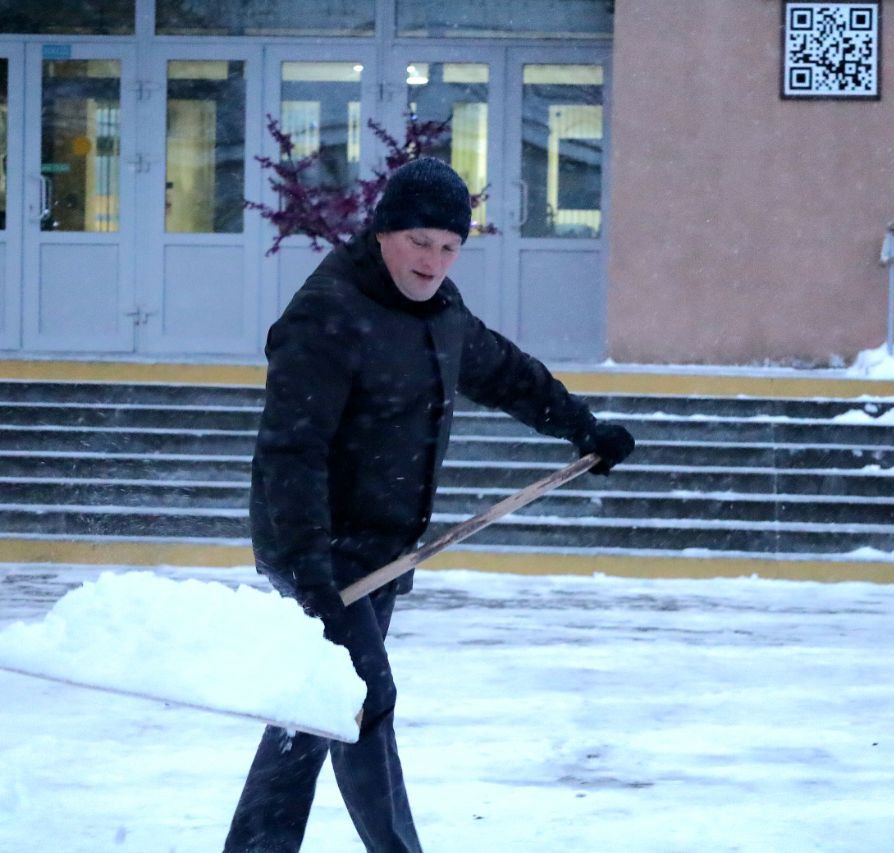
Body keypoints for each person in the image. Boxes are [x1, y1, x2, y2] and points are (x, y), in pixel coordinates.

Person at [224, 157, 635, 852]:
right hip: (319, 546)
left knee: (314, 709)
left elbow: (505, 372)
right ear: (384, 231)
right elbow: (292, 451)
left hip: (383, 550)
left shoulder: (441, 313)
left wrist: (583, 428)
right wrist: (307, 564)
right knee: (365, 700)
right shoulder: (328, 313)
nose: (433, 261)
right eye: (420, 241)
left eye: (449, 247)